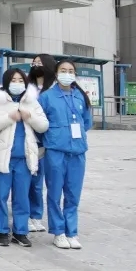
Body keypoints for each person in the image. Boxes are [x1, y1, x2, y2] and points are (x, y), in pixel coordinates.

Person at [0, 68, 49, 247]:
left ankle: (20, 232)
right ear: (7, 82)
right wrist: (10, 117)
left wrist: (30, 117)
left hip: (24, 158)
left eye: (20, 80)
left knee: (22, 197)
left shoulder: (32, 102)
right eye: (13, 80)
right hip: (2, 157)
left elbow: (43, 125)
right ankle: (2, 231)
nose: (17, 84)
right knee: (0, 196)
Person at [37, 60, 92, 250]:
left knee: (73, 193)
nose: (67, 74)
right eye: (63, 70)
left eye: (70, 71)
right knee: (54, 192)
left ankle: (71, 232)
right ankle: (58, 232)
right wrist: (53, 138)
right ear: (56, 73)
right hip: (55, 151)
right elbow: (39, 124)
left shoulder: (80, 96)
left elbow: (87, 122)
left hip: (78, 151)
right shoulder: (46, 97)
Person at [26, 63, 56, 232]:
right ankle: (25, 215)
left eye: (39, 62)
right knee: (26, 183)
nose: (36, 65)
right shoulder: (27, 89)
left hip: (44, 144)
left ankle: (36, 215)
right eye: (34, 63)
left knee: (37, 184)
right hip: (29, 141)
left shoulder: (52, 91)